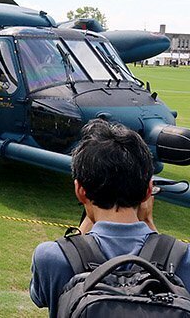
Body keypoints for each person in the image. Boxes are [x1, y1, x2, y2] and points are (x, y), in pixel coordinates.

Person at [29, 119, 190, 317]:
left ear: (80, 190)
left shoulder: (51, 257)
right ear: (149, 191)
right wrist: (148, 221)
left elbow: (41, 298)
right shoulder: (184, 258)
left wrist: (87, 218)